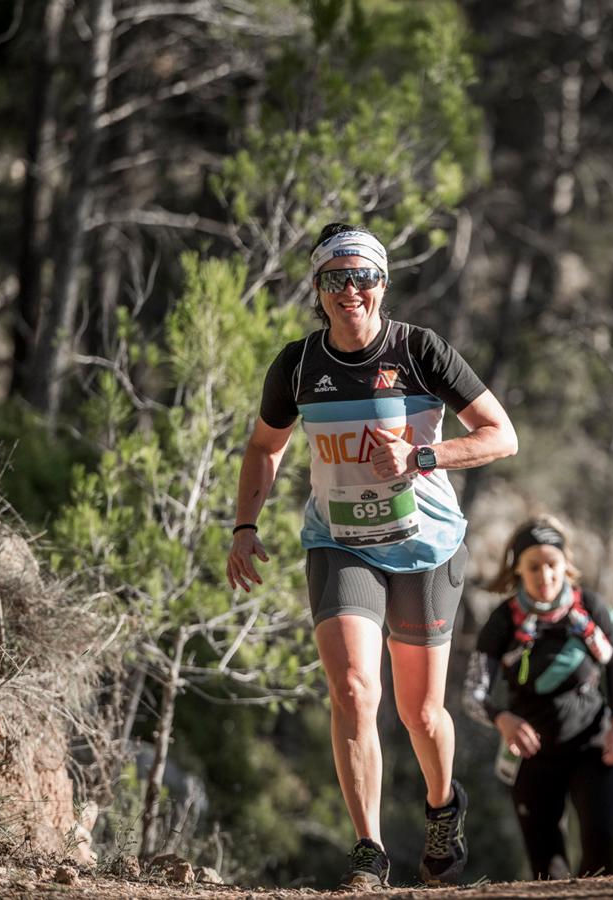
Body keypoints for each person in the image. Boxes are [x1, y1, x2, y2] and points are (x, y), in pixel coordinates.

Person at [226, 223, 518, 890]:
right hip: (339, 545)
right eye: (335, 278)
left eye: (362, 277)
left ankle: (444, 807)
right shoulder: (298, 365)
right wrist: (246, 526)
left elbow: (502, 437)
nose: (350, 290)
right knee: (354, 690)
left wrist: (423, 456)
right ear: (318, 290)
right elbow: (265, 448)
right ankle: (369, 850)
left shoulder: (419, 350)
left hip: (424, 549)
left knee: (420, 712)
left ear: (382, 284)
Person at [462, 516, 613, 879]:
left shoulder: (591, 606)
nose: (545, 576)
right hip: (533, 752)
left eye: (552, 565)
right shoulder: (503, 620)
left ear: (565, 565)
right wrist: (502, 719)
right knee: (547, 868)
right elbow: (474, 693)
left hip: (594, 743)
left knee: (602, 848)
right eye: (533, 567)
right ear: (518, 570)